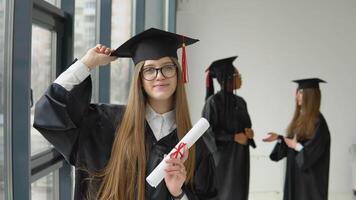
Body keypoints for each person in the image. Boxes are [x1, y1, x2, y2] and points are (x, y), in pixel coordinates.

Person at [33, 28, 218, 200]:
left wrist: (178, 193)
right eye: (149, 69)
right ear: (139, 78)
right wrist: (87, 63)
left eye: (167, 67)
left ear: (178, 73)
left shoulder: (194, 145)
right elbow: (50, 113)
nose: (159, 75)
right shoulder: (104, 124)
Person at [263, 78, 331, 200]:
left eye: (301, 92)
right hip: (296, 177)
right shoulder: (300, 119)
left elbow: (312, 151)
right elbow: (292, 142)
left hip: (310, 183)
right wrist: (280, 138)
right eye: (297, 92)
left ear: (310, 96)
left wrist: (296, 146)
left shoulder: (318, 122)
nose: (297, 95)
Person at [202, 56, 255, 200]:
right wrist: (233, 137)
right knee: (224, 193)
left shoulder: (240, 102)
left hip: (240, 157)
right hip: (222, 159)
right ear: (228, 78)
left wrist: (249, 133)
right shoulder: (213, 102)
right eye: (238, 75)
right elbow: (207, 133)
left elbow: (246, 126)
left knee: (239, 192)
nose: (240, 78)